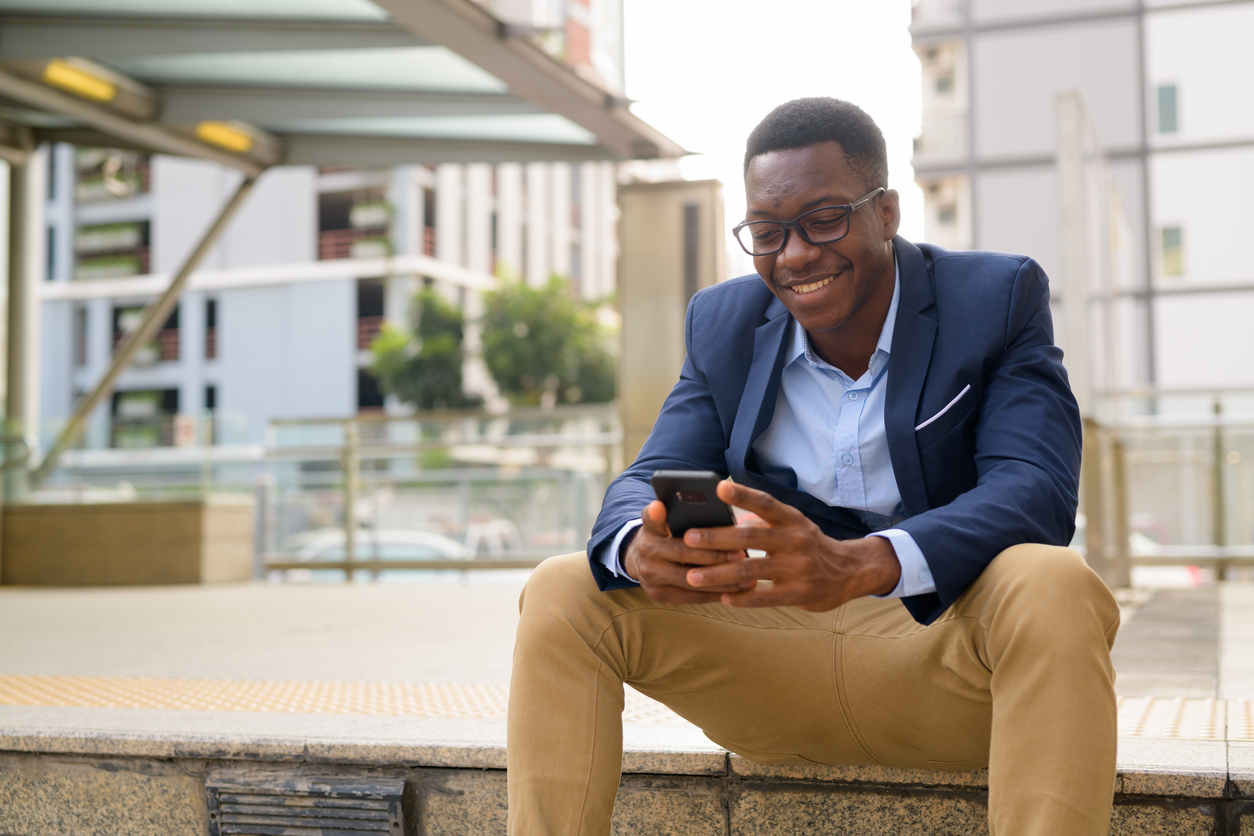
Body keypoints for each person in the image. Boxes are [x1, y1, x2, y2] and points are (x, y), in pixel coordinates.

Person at [507, 97, 1120, 836]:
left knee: (1052, 580)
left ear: (887, 211)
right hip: (770, 665)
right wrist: (644, 543)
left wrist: (860, 564)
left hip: (944, 662)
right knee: (566, 585)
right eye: (767, 232)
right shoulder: (723, 322)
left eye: (825, 220)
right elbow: (651, 475)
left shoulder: (995, 299)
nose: (795, 254)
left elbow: (1035, 493)